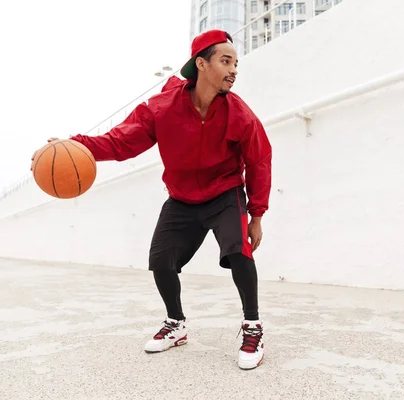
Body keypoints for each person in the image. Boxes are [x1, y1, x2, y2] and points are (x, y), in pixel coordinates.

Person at [43, 30, 272, 370]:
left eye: (236, 63)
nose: (234, 69)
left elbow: (259, 160)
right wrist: (72, 145)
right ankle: (176, 325)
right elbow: (120, 141)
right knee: (160, 260)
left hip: (224, 193)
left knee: (239, 251)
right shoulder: (162, 107)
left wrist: (256, 215)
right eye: (225, 61)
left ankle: (252, 327)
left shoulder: (240, 114)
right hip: (181, 198)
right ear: (201, 64)